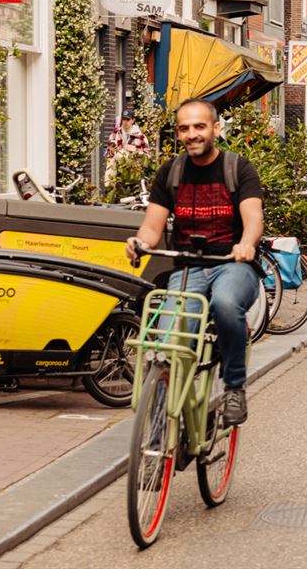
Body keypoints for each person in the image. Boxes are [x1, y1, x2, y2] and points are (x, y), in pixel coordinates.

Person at [124, 100, 264, 425]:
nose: (192, 134)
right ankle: (156, 445)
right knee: (167, 343)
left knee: (226, 304)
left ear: (216, 129)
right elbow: (152, 226)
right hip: (187, 267)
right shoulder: (171, 173)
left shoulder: (238, 169)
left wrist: (246, 244)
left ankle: (234, 387)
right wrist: (140, 243)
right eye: (184, 128)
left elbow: (253, 217)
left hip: (233, 263)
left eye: (199, 126)